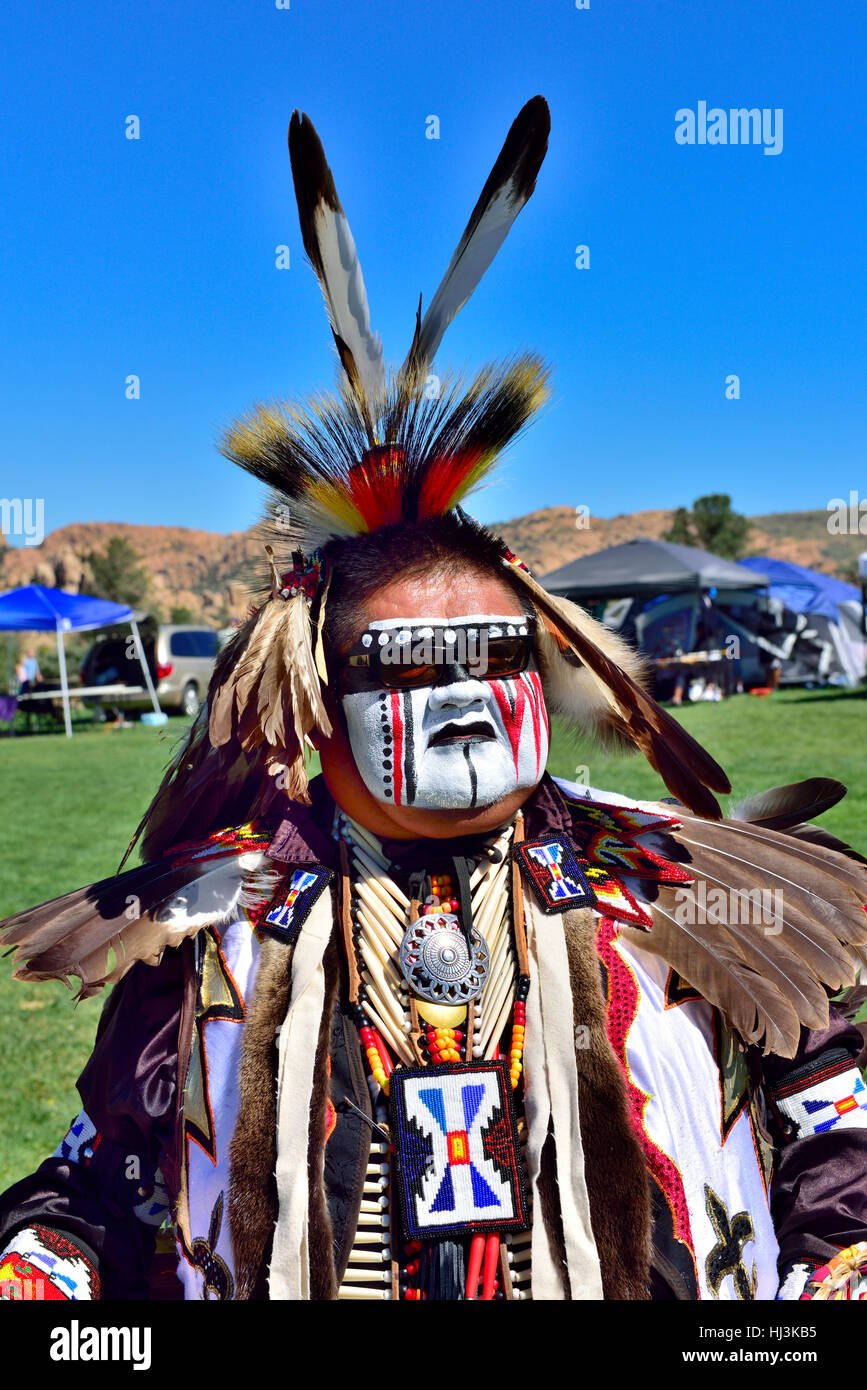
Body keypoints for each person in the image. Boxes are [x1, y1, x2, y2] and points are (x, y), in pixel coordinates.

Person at [1, 99, 866, 1303]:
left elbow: (840, 1138)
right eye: (407, 669)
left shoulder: (686, 884)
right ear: (312, 689)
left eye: (492, 657)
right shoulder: (211, 924)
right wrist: (44, 1267)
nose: (464, 701)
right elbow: (108, 1173)